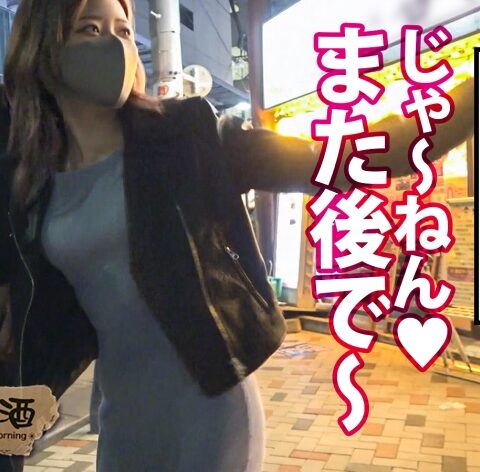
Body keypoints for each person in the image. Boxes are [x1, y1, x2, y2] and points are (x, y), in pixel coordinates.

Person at [0, 0, 474, 471]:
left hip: (211, 412)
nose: (116, 46)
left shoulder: (183, 138)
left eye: (124, 30)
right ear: (44, 47)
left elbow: (352, 157)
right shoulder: (28, 177)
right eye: (90, 28)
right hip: (123, 419)